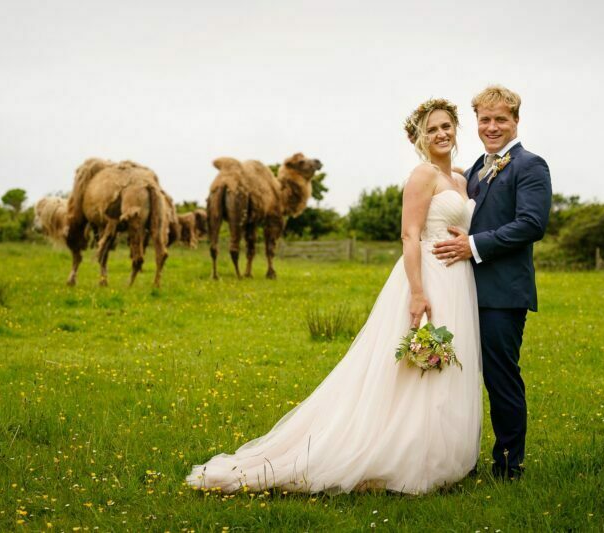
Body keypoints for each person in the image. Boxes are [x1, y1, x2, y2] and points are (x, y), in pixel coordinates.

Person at [186, 98, 483, 494]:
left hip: (458, 280)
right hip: (427, 276)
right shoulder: (421, 175)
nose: (441, 134)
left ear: (456, 129)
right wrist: (416, 292)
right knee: (417, 365)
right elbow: (409, 235)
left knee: (448, 364)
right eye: (432, 130)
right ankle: (403, 453)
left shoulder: (461, 181)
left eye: (446, 126)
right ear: (420, 139)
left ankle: (442, 454)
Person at [433, 85, 551, 480]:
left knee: (501, 378)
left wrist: (473, 244)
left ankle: (508, 465)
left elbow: (532, 224)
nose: (492, 126)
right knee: (459, 376)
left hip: (503, 293)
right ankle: (455, 459)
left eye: (501, 119)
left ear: (516, 121)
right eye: (485, 119)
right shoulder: (474, 172)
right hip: (464, 291)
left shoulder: (530, 166)